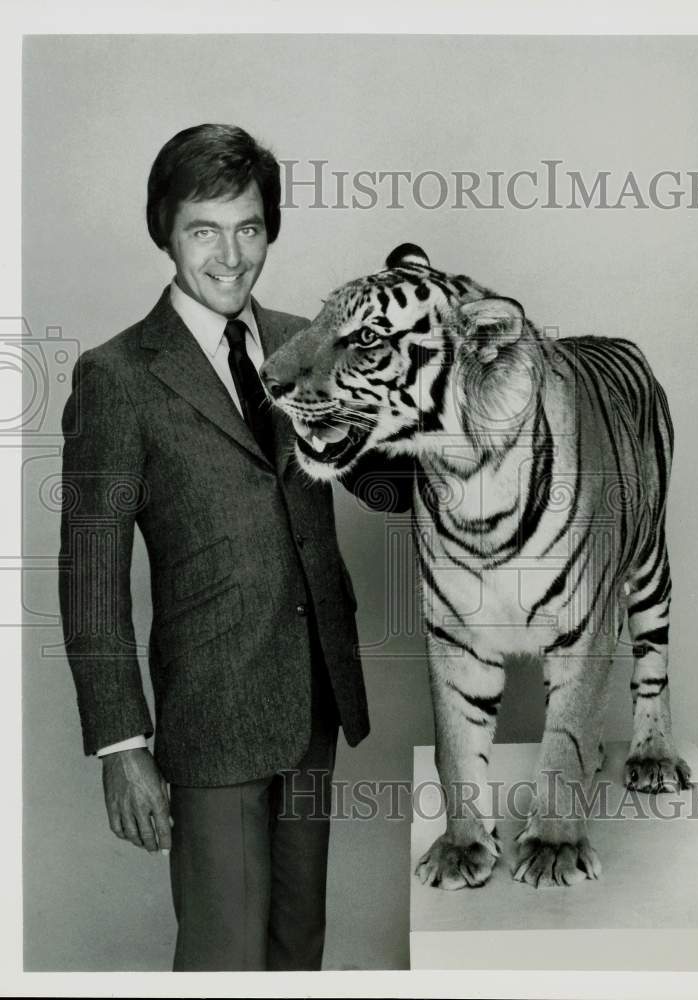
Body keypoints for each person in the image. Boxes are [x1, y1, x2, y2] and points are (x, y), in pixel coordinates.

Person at [57, 123, 411, 972]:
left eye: (248, 227)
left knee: (298, 951)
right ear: (166, 233)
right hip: (210, 717)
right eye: (203, 230)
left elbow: (385, 486)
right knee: (224, 960)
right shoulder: (119, 376)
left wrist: (449, 418)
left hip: (315, 701)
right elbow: (90, 576)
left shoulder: (308, 340)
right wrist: (122, 746)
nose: (230, 254)